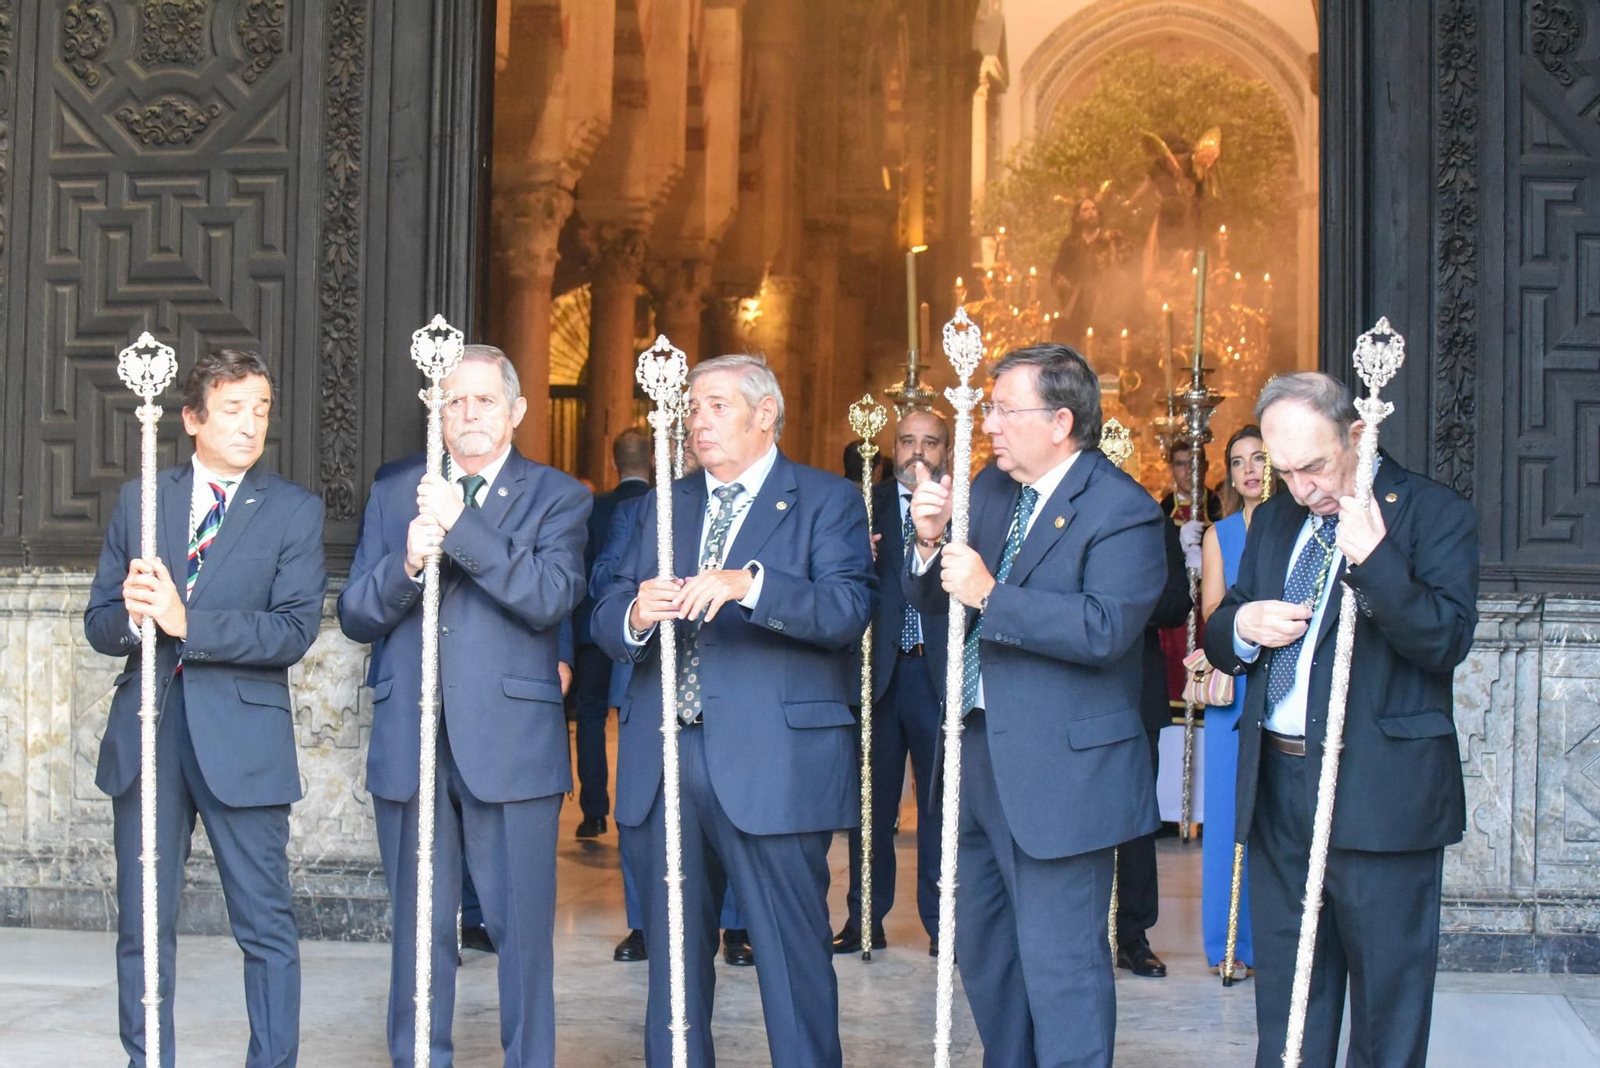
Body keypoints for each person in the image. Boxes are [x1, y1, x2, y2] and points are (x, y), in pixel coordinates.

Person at [593, 354, 873, 1068]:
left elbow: (847, 610)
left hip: (773, 764)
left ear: (764, 413)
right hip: (665, 758)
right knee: (674, 968)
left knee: (791, 958)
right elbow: (605, 609)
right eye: (693, 408)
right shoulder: (664, 503)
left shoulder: (826, 500)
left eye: (716, 406)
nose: (698, 421)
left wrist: (751, 586)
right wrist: (634, 614)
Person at [1205, 373, 1478, 1067]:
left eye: (1315, 467)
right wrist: (1243, 624)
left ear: (1357, 435)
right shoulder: (1277, 519)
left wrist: (1376, 561)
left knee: (1387, 1006)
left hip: (1380, 793)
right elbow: (1223, 627)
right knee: (1290, 1003)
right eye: (1284, 471)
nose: (1302, 489)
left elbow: (1444, 642)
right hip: (1279, 789)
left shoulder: (1432, 513)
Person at [907, 343, 1166, 1067]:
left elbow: (1105, 628)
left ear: (1060, 421)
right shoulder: (991, 490)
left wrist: (993, 594)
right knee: (984, 953)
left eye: (1003, 410)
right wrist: (928, 544)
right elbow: (939, 597)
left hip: (1061, 775)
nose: (987, 424)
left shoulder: (1122, 508)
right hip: (974, 752)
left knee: (1063, 969)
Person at [338, 344, 590, 1068]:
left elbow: (549, 596)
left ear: (516, 411)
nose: (468, 413)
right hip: (410, 739)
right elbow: (356, 613)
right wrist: (406, 564)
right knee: (418, 933)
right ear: (436, 411)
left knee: (521, 933)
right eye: (454, 400)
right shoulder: (396, 491)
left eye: (484, 400)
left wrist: (461, 524)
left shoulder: (557, 495)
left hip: (511, 744)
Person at [85, 348, 327, 1068]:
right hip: (149, 734)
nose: (251, 425)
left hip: (243, 742)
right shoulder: (142, 499)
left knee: (265, 925)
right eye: (233, 409)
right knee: (143, 925)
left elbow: (293, 631)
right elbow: (100, 623)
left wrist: (185, 621)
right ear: (192, 418)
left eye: (261, 410)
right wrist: (135, 619)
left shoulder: (292, 510)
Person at [587, 463, 752, 969]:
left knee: (732, 813)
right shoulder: (645, 509)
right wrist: (643, 599)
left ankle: (736, 925)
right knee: (645, 812)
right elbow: (604, 578)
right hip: (653, 681)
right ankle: (644, 923)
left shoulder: (750, 508)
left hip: (735, 685)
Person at [833, 408, 949, 957]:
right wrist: (857, 557)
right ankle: (864, 919)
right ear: (892, 447)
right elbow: (834, 579)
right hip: (876, 674)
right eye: (907, 441)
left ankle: (942, 921)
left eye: (930, 442)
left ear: (946, 450)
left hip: (935, 673)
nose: (917, 452)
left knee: (939, 807)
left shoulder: (963, 506)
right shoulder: (861, 504)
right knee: (871, 807)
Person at [1196, 424, 1278, 980]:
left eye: (1259, 458)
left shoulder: (1300, 525)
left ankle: (1280, 941)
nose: (1249, 469)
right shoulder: (1219, 534)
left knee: (1280, 814)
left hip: (1286, 679)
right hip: (1238, 677)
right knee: (1228, 814)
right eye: (1239, 461)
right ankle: (1231, 943)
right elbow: (1212, 614)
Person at [1114, 512, 1192, 979]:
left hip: (1135, 688)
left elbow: (1177, 602)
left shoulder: (1147, 521)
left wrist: (1119, 596)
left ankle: (1133, 934)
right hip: (1068, 686)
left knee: (1137, 819)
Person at [573, 428, 654, 840]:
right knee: (634, 718)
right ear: (653, 460)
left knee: (590, 718)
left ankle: (594, 812)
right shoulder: (663, 504)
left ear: (613, 462)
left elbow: (582, 569)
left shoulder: (593, 508)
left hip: (592, 631)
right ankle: (634, 815)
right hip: (643, 631)